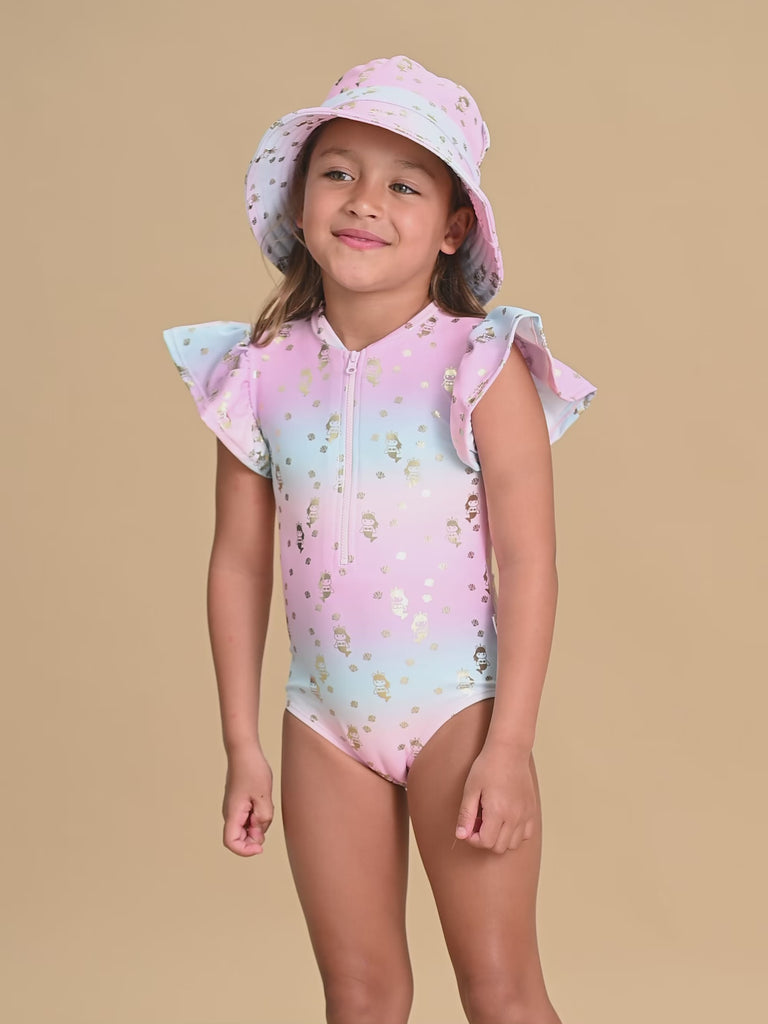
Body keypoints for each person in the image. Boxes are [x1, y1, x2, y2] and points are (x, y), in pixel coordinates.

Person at [162, 55, 596, 1024]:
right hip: (324, 723)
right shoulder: (260, 371)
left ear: (452, 227)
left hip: (458, 712)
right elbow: (238, 562)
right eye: (338, 172)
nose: (364, 201)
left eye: (404, 184)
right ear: (300, 201)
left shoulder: (480, 365)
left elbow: (529, 563)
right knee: (359, 996)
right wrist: (242, 743)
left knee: (501, 991)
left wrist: (510, 745)